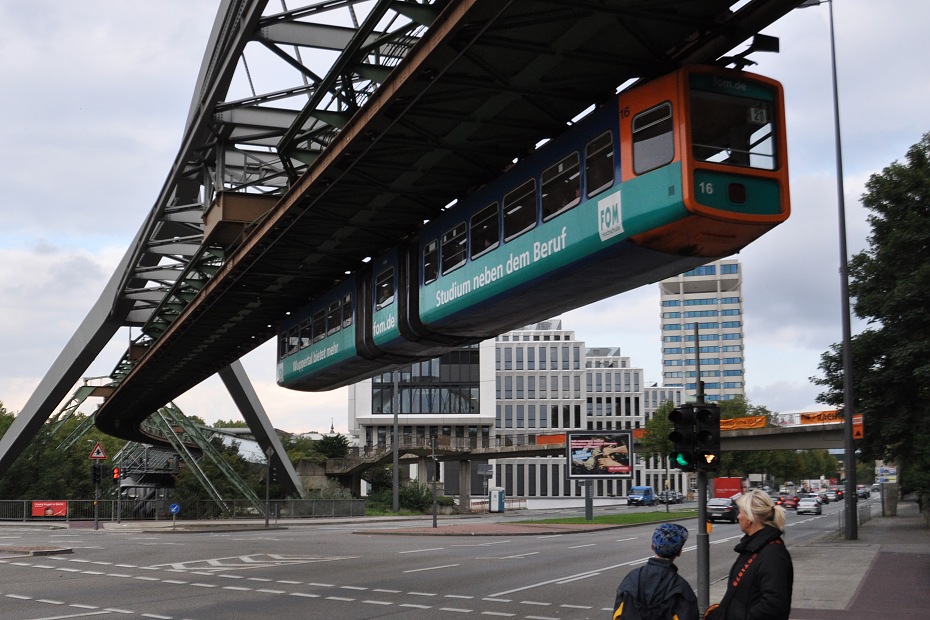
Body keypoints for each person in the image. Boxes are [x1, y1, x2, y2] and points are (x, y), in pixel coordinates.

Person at [705, 489, 793, 619]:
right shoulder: (755, 547)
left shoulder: (773, 555)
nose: (738, 516)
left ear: (750, 517)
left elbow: (774, 606)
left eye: (740, 512)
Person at [612, 523, 698, 619]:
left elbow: (617, 615)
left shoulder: (631, 579)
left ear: (652, 546)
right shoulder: (681, 589)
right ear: (679, 552)